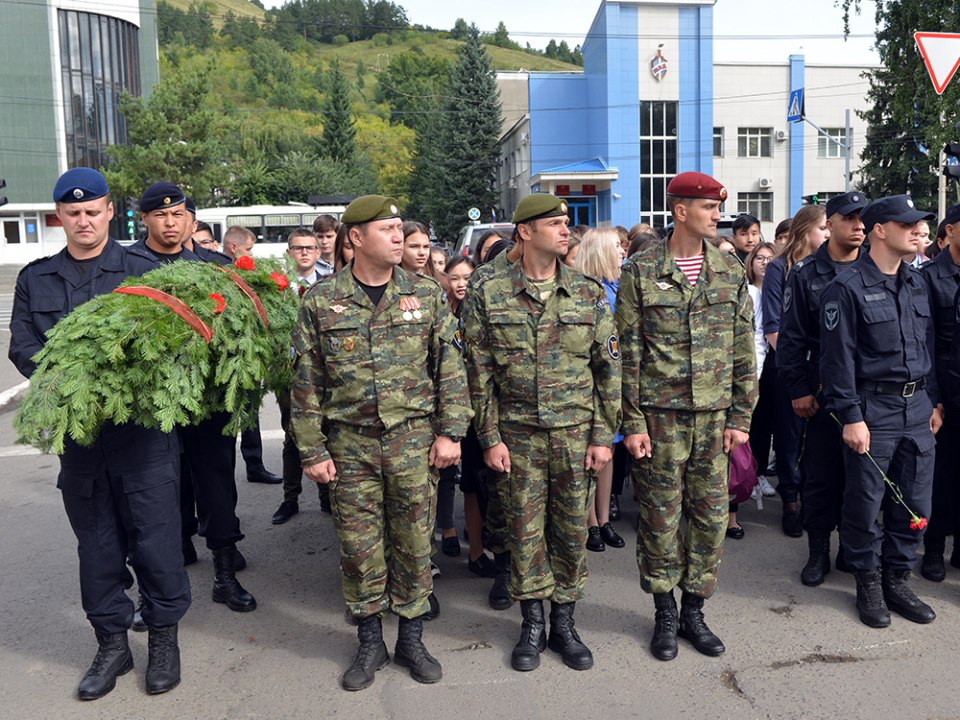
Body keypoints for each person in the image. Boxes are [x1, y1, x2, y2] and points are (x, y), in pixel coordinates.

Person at [8, 169, 189, 699]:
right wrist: (74, 372)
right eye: (73, 212)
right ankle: (112, 645)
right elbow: (22, 346)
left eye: (94, 211)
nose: (84, 220)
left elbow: (176, 340)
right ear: (59, 216)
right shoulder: (35, 278)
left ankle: (163, 639)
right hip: (81, 442)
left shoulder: (144, 269)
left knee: (156, 541)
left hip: (142, 438)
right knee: (98, 547)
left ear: (112, 212)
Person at [290, 195, 472, 691]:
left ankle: (411, 639)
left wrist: (451, 431)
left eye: (401, 228)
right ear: (356, 238)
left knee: (415, 544)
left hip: (413, 443)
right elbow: (307, 383)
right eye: (388, 229)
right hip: (350, 446)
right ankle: (370, 640)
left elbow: (450, 369)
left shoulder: (427, 295)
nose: (399, 237)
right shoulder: (321, 301)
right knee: (358, 547)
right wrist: (312, 449)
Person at [463, 193, 621, 673]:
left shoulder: (588, 293)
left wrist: (601, 437)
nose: (565, 230)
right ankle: (531, 624)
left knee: (572, 531)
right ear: (525, 232)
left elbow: (609, 372)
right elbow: (479, 374)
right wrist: (490, 438)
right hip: (518, 438)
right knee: (524, 532)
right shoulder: (488, 293)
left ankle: (565, 625)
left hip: (575, 437)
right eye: (554, 223)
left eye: (566, 223)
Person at [615, 171, 756, 662]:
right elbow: (627, 355)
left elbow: (743, 352)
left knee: (711, 518)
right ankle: (664, 612)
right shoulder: (639, 270)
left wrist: (742, 415)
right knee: (659, 518)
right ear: (680, 211)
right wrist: (631, 423)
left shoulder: (730, 269)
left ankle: (695, 609)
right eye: (709, 208)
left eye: (719, 207)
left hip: (716, 420)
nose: (718, 215)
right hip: (660, 420)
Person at [821, 194, 940, 629]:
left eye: (919, 224)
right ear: (879, 230)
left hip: (918, 406)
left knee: (914, 499)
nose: (916, 231)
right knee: (865, 501)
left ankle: (897, 577)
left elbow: (928, 346)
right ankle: (868, 581)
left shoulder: (916, 281)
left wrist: (934, 401)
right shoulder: (847, 287)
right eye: (906, 224)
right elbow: (837, 361)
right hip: (873, 409)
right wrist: (852, 417)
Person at [777, 193, 867, 585]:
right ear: (829, 224)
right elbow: (793, 337)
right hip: (819, 386)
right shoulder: (806, 272)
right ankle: (818, 552)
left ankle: (851, 547)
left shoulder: (876, 268)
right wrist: (797, 388)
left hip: (868, 388)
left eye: (864, 219)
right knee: (821, 472)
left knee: (861, 477)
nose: (859, 226)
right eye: (849, 218)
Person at [762, 204, 828, 537]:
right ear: (805, 232)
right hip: (788, 366)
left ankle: (810, 498)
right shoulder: (779, 268)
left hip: (820, 366)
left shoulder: (825, 268)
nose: (827, 234)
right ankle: (790, 501)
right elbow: (773, 325)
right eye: (822, 228)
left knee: (815, 439)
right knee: (789, 436)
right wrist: (795, 367)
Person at [574, 228, 626, 553]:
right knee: (591, 456)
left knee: (609, 453)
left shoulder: (618, 287)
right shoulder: (587, 291)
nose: (622, 251)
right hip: (593, 385)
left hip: (615, 384)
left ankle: (604, 519)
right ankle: (590, 521)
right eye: (617, 246)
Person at [220, 226, 284, 486]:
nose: (252, 254)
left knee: (249, 414)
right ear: (234, 248)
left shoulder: (247, 273)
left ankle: (254, 466)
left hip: (248, 354)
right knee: (235, 417)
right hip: (229, 357)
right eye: (249, 249)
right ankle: (248, 467)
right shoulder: (220, 273)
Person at [271, 229, 325, 526]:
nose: (304, 253)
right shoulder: (276, 288)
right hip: (289, 372)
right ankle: (290, 498)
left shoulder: (329, 285)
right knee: (293, 435)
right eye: (298, 248)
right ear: (289, 253)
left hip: (323, 372)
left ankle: (327, 494)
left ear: (318, 253)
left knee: (325, 430)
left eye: (310, 248)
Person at [918, 203, 960, 580]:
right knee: (940, 471)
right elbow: (924, 342)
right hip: (944, 376)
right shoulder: (930, 275)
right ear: (950, 230)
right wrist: (933, 398)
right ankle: (932, 549)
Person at [727, 241, 778, 539]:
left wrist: (751, 378)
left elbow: (757, 341)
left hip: (742, 380)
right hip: (707, 386)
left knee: (737, 449)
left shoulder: (752, 295)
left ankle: (732, 515)